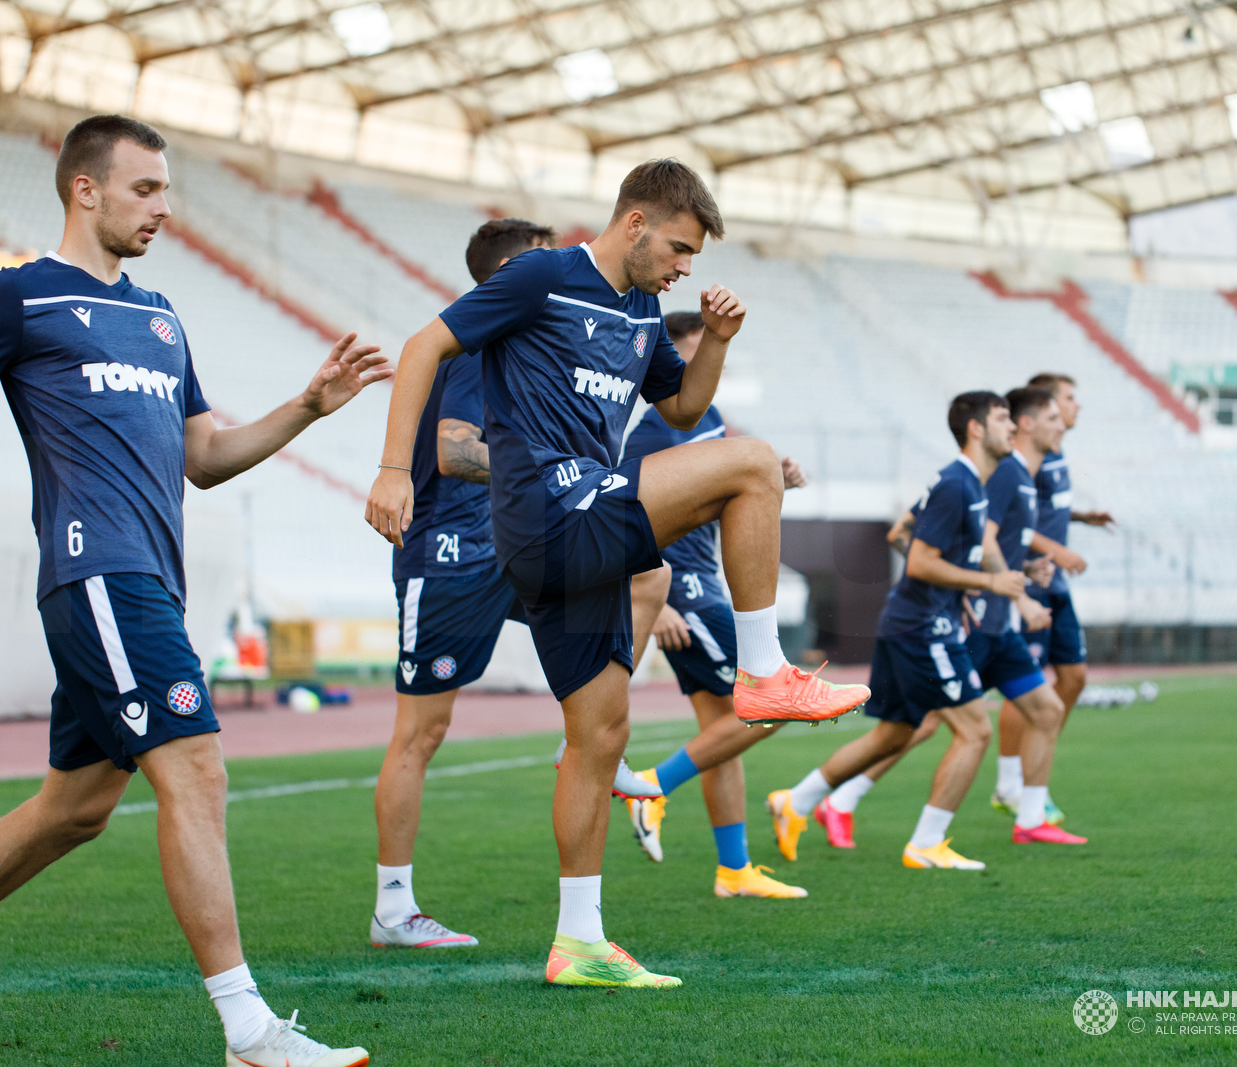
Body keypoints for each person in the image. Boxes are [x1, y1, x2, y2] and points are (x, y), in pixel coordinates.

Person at [0, 116, 386, 1067]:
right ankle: (249, 1030)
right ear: (86, 190)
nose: (164, 208)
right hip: (95, 569)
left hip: (145, 582)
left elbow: (206, 457)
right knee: (198, 766)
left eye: (168, 191)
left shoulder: (161, 316)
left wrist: (307, 407)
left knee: (77, 806)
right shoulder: (18, 296)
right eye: (146, 189)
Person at [364, 159, 868, 988]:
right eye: (676, 248)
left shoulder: (639, 312)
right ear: (634, 221)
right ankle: (765, 671)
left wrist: (721, 342)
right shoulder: (542, 276)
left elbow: (679, 409)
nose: (682, 268)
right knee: (750, 463)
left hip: (580, 530)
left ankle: (581, 943)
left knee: (597, 739)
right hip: (547, 507)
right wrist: (392, 468)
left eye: (692, 258)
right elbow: (426, 345)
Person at [372, 218, 663, 950]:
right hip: (454, 553)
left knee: (648, 578)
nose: (568, 271)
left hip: (520, 539)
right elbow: (451, 445)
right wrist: (549, 470)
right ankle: (393, 905)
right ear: (507, 271)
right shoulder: (490, 339)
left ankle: (598, 748)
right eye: (546, 261)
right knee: (420, 731)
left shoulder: (549, 335)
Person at [813, 388, 1086, 847]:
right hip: (973, 622)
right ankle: (841, 801)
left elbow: (974, 542)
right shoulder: (997, 475)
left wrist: (1017, 575)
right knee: (930, 724)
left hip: (994, 624)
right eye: (1056, 414)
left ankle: (1030, 815)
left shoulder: (1010, 475)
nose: (1065, 422)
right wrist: (1005, 592)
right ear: (1025, 423)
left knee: (1043, 709)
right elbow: (969, 539)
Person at [767, 393, 1021, 872]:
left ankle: (796, 801)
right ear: (975, 428)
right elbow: (922, 559)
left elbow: (902, 533)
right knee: (974, 729)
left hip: (915, 621)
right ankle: (926, 843)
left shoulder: (963, 483)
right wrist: (987, 581)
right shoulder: (957, 485)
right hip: (925, 629)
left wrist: (957, 590)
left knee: (893, 736)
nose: (1013, 428)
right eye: (1004, 418)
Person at [617, 311, 811, 899]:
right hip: (687, 593)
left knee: (721, 731)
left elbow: (721, 491)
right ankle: (651, 784)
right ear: (669, 355)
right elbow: (623, 518)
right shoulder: (652, 432)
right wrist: (656, 600)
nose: (711, 365)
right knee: (772, 706)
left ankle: (734, 870)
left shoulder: (713, 417)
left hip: (707, 584)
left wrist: (773, 477)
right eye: (700, 352)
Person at [994, 372, 1114, 821]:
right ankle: (1012, 783)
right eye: (1066, 399)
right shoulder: (1024, 459)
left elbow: (1043, 511)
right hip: (1032, 580)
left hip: (1054, 582)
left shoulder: (1054, 453)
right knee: (1023, 684)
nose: (1074, 407)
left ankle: (1033, 774)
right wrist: (1056, 550)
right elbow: (1017, 522)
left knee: (1074, 677)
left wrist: (1080, 518)